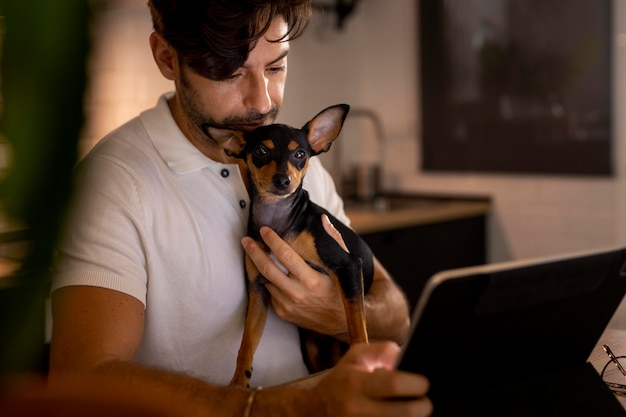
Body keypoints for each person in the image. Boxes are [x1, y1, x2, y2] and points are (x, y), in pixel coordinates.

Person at [48, 1, 432, 416]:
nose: (262, 101)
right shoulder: (111, 181)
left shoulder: (301, 170)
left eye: (276, 68)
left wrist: (335, 313)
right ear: (165, 57)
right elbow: (79, 382)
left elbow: (395, 317)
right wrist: (276, 406)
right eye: (230, 72)